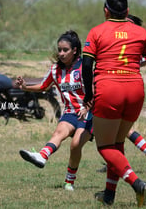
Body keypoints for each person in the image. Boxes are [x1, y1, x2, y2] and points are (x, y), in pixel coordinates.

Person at [82, 0, 146, 207]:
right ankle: (109, 195)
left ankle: (137, 183)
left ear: (106, 11)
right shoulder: (140, 32)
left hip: (109, 90)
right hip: (135, 90)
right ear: (127, 11)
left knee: (105, 146)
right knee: (117, 143)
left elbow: (87, 65)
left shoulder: (97, 31)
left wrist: (89, 94)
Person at [17, 30, 93, 191]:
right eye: (59, 50)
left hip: (89, 113)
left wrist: (87, 107)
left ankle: (69, 181)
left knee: (75, 145)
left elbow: (96, 89)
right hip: (71, 113)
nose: (61, 53)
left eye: (65, 50)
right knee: (58, 133)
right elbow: (43, 86)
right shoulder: (55, 70)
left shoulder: (84, 68)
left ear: (75, 50)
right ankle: (42, 156)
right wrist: (25, 86)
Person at [96, 15, 146, 174]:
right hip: (120, 87)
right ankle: (115, 163)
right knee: (119, 133)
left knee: (119, 133)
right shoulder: (117, 41)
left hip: (120, 88)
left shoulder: (135, 41)